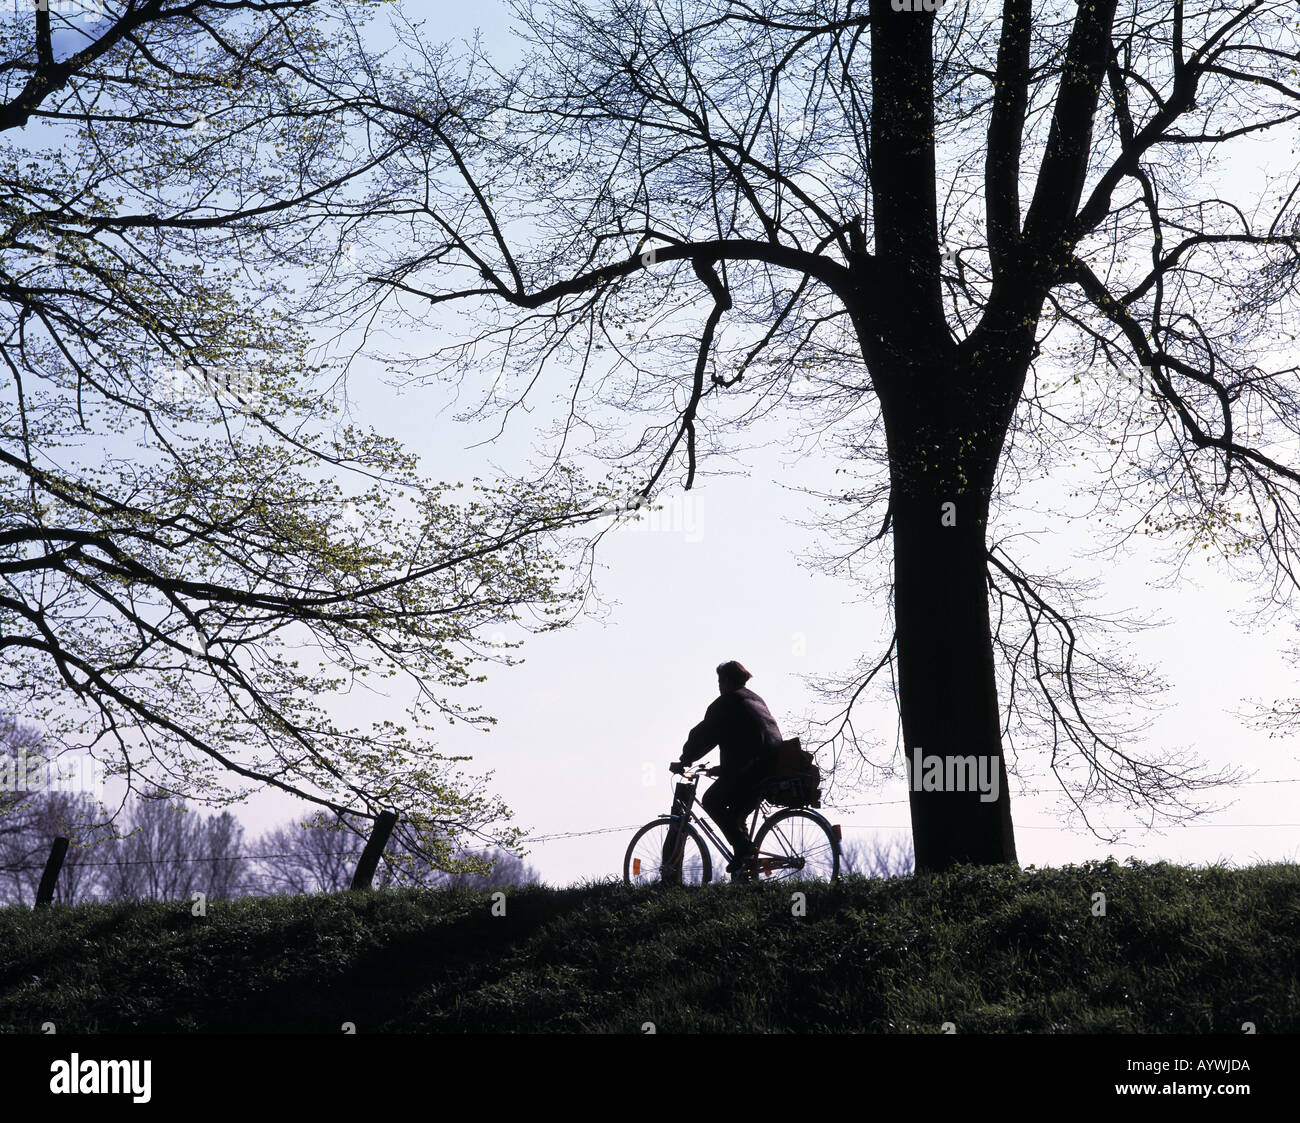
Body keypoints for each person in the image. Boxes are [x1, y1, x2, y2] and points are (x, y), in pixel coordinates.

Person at [671, 660, 783, 879]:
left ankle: (743, 850)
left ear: (728, 681)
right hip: (770, 768)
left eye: (720, 681)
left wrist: (685, 760)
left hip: (750, 770)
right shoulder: (755, 699)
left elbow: (704, 735)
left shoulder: (727, 702)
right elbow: (749, 738)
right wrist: (725, 769)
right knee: (735, 818)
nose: (719, 686)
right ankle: (744, 869)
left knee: (712, 801)